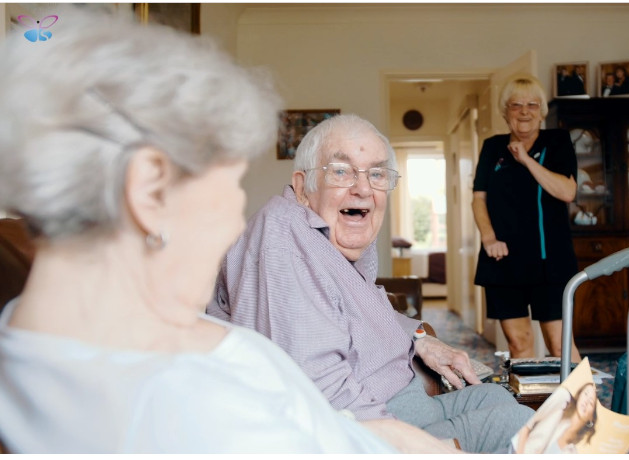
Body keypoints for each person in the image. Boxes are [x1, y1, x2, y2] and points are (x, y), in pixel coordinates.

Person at [0, 7, 458, 454]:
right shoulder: (176, 408)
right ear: (149, 189)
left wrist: (392, 435)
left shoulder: (43, 329)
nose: (236, 226)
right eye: (230, 187)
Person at [207, 113, 534, 453]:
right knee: (518, 425)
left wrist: (419, 338)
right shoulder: (284, 237)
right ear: (303, 188)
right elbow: (321, 395)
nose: (363, 189)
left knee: (496, 397)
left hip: (402, 405)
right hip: (370, 429)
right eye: (341, 171)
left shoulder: (330, 238)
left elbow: (359, 312)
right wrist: (418, 447)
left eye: (376, 174)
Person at [472, 75, 582, 362]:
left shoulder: (557, 141)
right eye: (516, 105)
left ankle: (582, 395)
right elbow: (478, 198)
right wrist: (489, 238)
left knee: (560, 346)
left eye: (532, 104)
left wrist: (527, 160)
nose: (524, 111)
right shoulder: (492, 147)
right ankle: (530, 395)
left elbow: (567, 191)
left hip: (551, 262)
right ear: (505, 111)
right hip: (503, 260)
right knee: (518, 343)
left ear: (541, 111)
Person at [515, 382, 598, 454]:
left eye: (591, 402)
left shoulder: (572, 451)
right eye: (585, 394)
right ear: (579, 395)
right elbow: (527, 426)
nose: (586, 401)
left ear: (591, 418)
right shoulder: (562, 398)